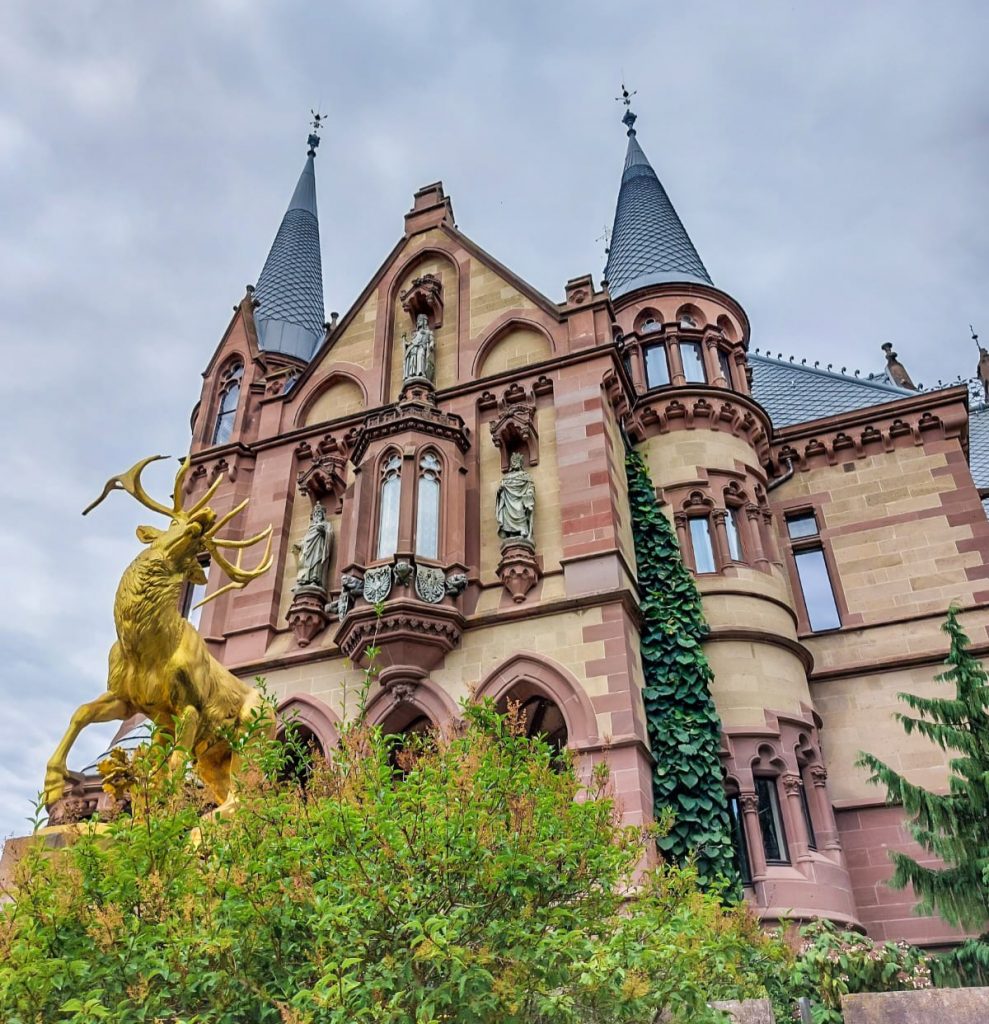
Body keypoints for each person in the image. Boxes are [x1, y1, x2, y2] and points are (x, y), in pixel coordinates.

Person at [495, 453, 535, 541]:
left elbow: (530, 487)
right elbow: (500, 491)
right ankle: (511, 533)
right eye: (513, 461)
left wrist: (529, 494)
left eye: (517, 461)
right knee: (508, 518)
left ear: (520, 463)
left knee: (520, 509)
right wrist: (500, 490)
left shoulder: (526, 476)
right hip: (508, 504)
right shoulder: (506, 477)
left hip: (520, 502)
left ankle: (523, 530)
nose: (515, 463)